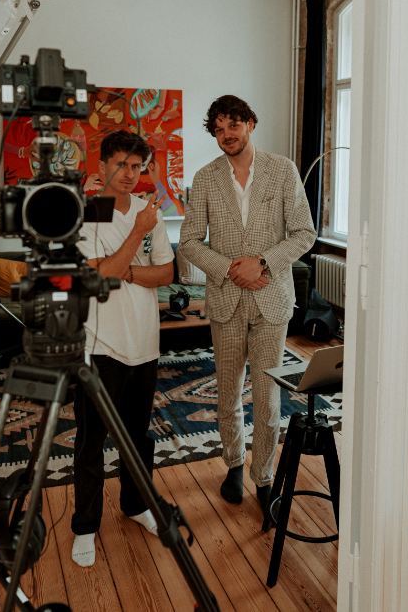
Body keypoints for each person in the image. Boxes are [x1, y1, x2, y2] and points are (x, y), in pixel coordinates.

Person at [178, 95, 316, 512]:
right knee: (228, 393)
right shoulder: (205, 178)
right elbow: (189, 241)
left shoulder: (283, 170)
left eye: (233, 125)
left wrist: (263, 263)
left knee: (269, 399)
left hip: (272, 301)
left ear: (250, 124)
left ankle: (264, 476)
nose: (226, 135)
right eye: (218, 129)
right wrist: (229, 269)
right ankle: (234, 464)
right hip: (225, 302)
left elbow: (304, 233)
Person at [71, 129, 174, 567]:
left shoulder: (150, 213)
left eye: (137, 166)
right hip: (101, 345)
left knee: (138, 437)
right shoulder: (87, 215)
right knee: (91, 442)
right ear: (102, 166)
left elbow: (166, 273)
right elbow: (99, 276)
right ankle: (85, 526)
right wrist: (136, 238)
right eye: (121, 165)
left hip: (145, 343)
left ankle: (135, 504)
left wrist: (128, 270)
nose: (130, 174)